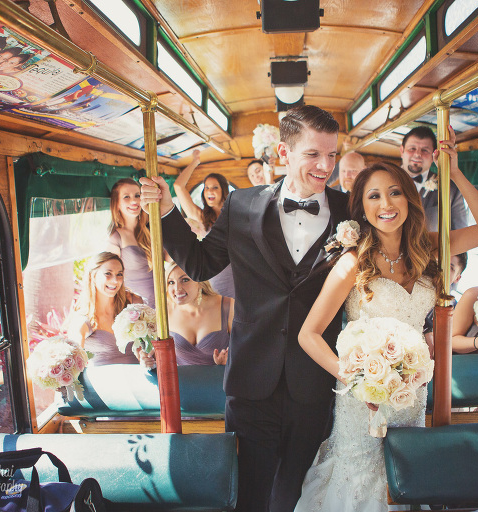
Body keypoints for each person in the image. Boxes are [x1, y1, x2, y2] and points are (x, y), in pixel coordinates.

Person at [140, 105, 348, 512]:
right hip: (252, 378)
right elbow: (201, 264)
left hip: (315, 380)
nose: (326, 166)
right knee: (249, 493)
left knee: (297, 492)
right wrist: (165, 210)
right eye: (313, 154)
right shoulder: (242, 204)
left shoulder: (349, 210)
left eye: (332, 155)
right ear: (284, 153)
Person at [295, 150, 478, 511]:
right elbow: (308, 335)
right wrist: (356, 380)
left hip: (412, 393)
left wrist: (455, 173)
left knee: (406, 475)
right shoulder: (352, 263)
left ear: (409, 198)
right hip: (363, 398)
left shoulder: (429, 249)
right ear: (362, 208)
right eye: (374, 196)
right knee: (363, 481)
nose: (386, 204)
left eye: (394, 192)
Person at [140, 263, 232, 366]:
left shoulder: (228, 306)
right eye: (171, 282)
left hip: (222, 376)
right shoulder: (163, 312)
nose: (177, 288)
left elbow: (244, 351)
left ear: (200, 282)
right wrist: (147, 359)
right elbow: (155, 354)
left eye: (185, 280)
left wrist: (228, 362)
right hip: (180, 376)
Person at [172, 149, 235, 298]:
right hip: (215, 279)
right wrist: (195, 162)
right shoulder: (201, 217)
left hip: (238, 275)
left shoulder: (235, 215)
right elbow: (178, 186)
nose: (209, 191)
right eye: (206, 187)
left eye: (214, 187)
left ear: (223, 190)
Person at [66, 252, 141, 366]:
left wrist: (145, 356)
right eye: (108, 273)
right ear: (93, 275)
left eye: (119, 274)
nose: (115, 280)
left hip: (139, 374)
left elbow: (147, 344)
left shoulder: (133, 303)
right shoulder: (82, 319)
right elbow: (72, 363)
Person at [400, 125, 468, 231]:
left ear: (433, 155)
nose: (417, 154)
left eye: (425, 150)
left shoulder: (450, 188)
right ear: (402, 151)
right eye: (412, 149)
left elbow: (461, 231)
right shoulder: (384, 180)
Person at [107, 178, 156, 306]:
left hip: (162, 298)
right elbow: (111, 278)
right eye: (126, 197)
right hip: (137, 305)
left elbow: (169, 257)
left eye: (137, 196)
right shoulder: (115, 237)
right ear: (117, 203)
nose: (134, 201)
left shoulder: (150, 230)